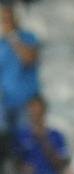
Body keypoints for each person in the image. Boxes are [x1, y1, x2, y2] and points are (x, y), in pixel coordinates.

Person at [13, 95, 66, 174]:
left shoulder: (56, 136)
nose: (35, 115)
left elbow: (61, 164)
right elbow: (15, 161)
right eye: (32, 111)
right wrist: (22, 168)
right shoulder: (21, 135)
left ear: (44, 112)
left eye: (38, 112)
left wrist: (43, 139)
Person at [0, 4, 39, 136]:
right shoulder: (1, 43)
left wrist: (12, 37)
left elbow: (28, 59)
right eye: (3, 19)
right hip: (4, 102)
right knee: (5, 142)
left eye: (9, 19)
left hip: (25, 101)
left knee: (24, 140)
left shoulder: (28, 38)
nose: (6, 22)